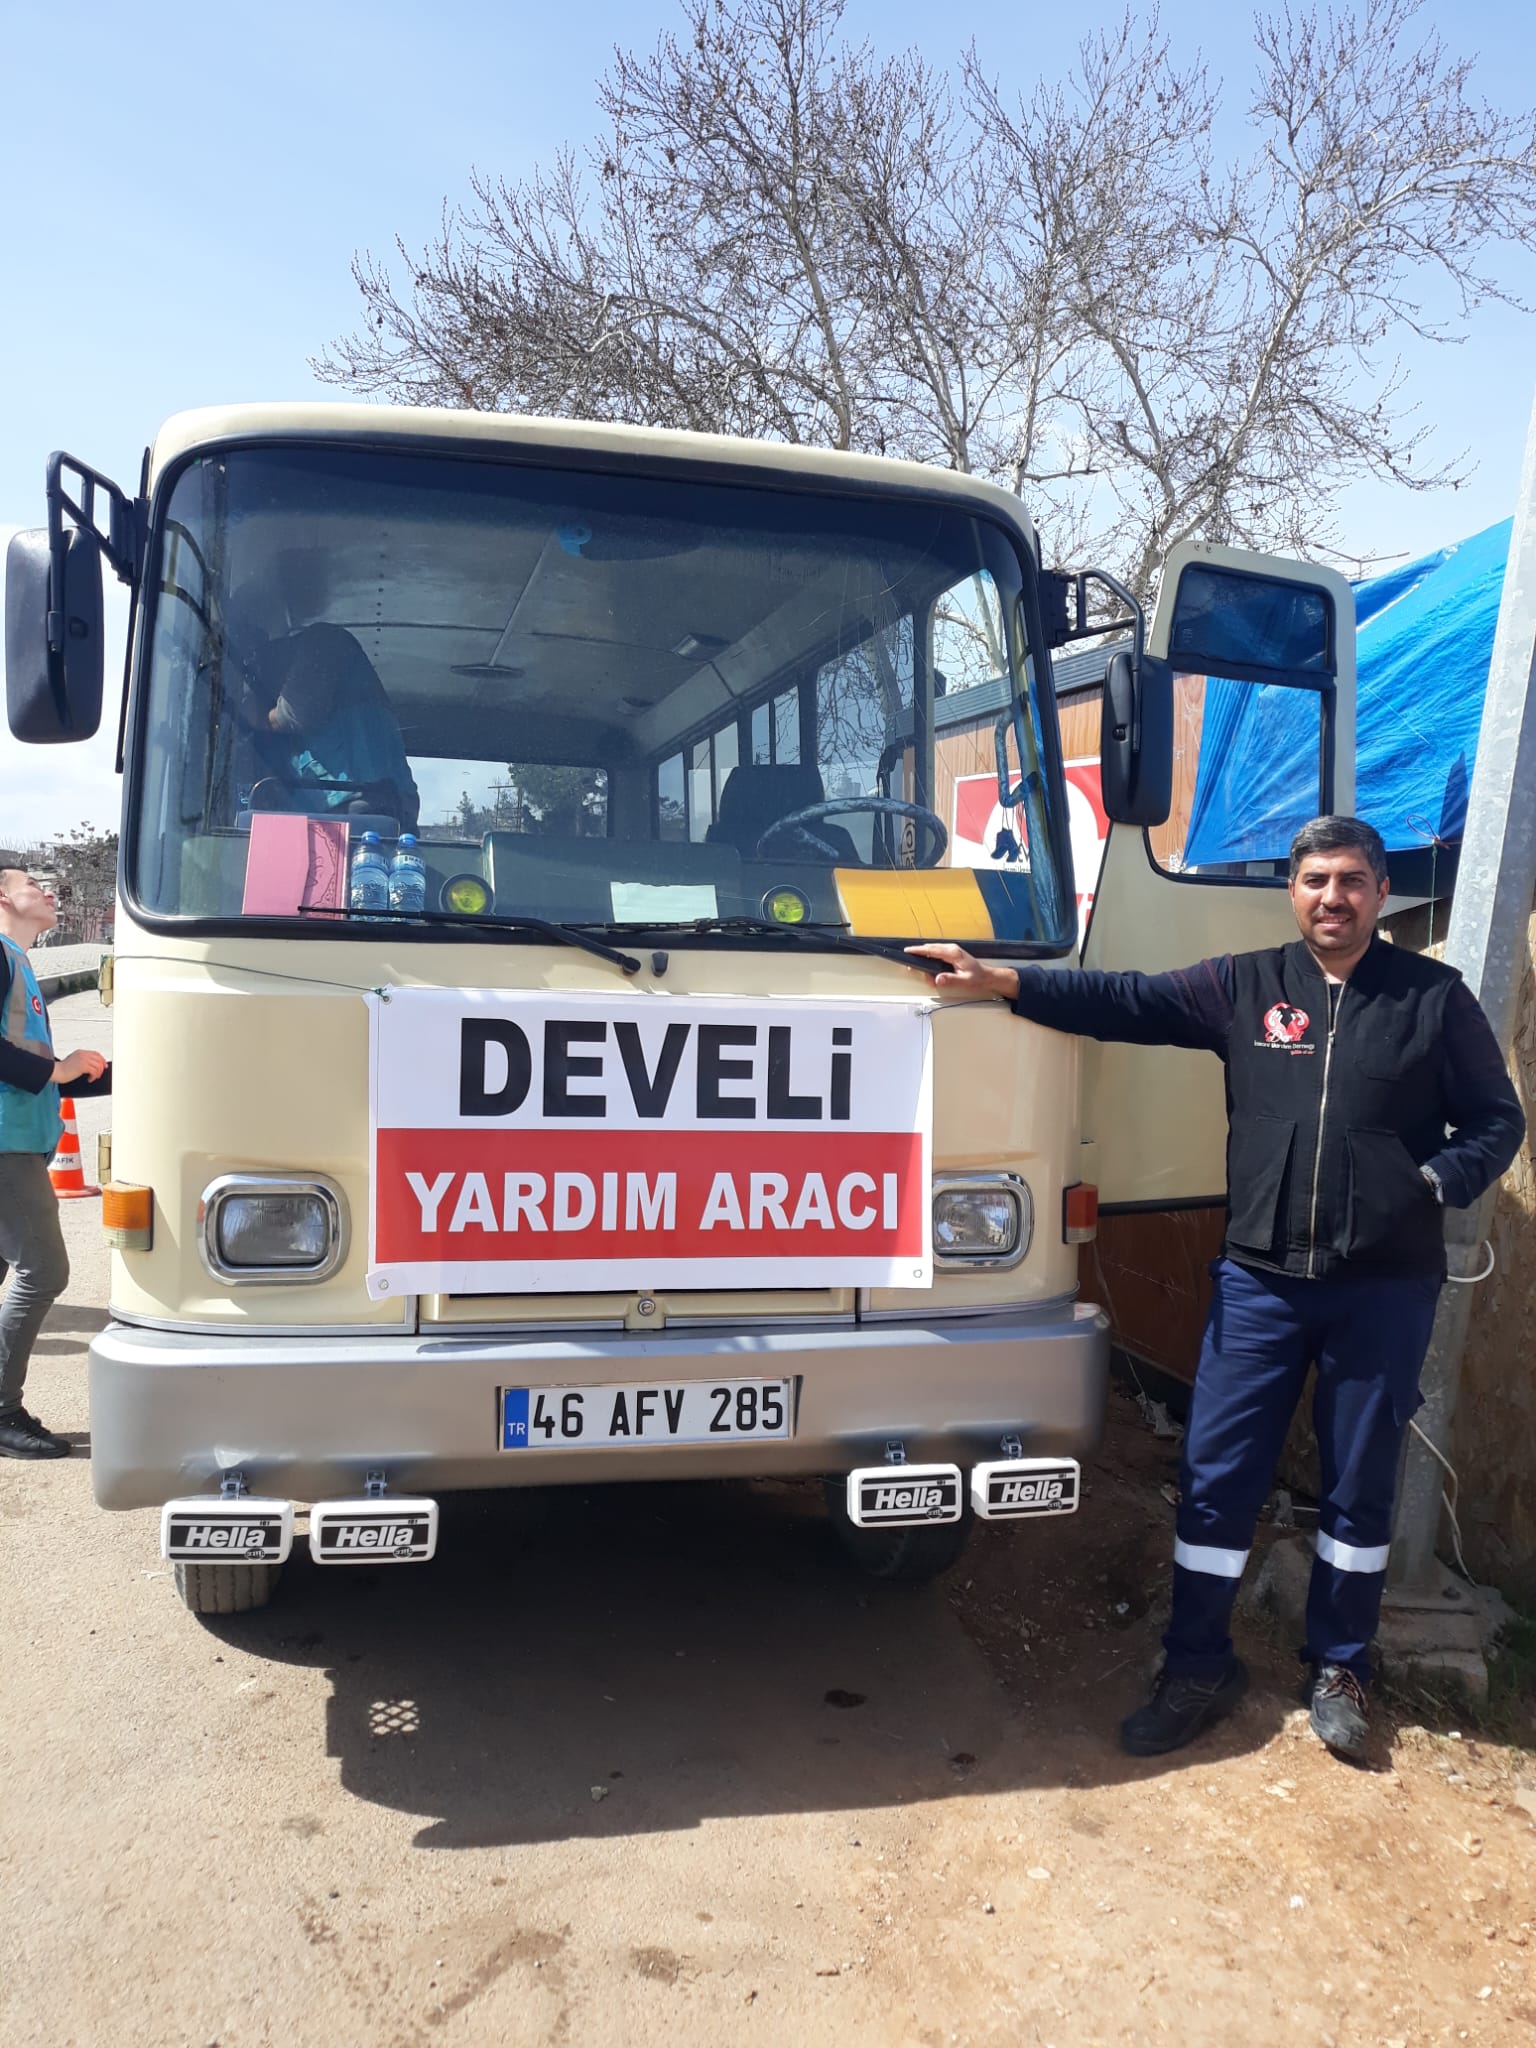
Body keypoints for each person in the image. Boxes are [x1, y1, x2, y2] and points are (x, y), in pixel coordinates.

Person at [908, 815, 1525, 1763]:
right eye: (1315, 880)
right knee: (1216, 1479)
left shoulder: (1433, 999)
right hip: (1260, 1286)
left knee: (1360, 1487)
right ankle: (1197, 1664)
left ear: (1379, 892)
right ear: (1293, 891)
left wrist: (1437, 1181)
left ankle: (1341, 1667)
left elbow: (1496, 1120)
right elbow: (1129, 999)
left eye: (1351, 881)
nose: (1333, 898)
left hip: (1382, 1289)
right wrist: (1005, 982)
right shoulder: (1244, 985)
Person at [0, 868, 112, 1458]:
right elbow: (36, 1067)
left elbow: (37, 1067)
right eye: (32, 884)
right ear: (2, 896)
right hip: (6, 1145)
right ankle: (2, 1412)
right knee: (44, 1272)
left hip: (21, 1139)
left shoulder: (18, 962)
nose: (50, 892)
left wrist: (105, 1074)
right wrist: (57, 1069)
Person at [251, 623, 421, 831]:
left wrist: (256, 716)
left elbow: (296, 713)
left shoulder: (323, 640)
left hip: (362, 804)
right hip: (369, 805)